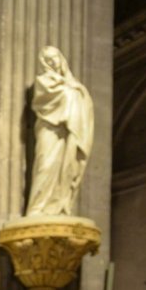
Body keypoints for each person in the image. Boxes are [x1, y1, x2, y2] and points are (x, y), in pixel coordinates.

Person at [25, 46, 94, 217]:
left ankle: (59, 206)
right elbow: (45, 101)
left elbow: (82, 103)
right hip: (49, 129)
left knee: (67, 165)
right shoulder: (43, 81)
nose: (52, 62)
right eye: (48, 60)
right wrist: (71, 93)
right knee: (45, 165)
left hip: (68, 130)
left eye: (55, 57)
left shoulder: (74, 85)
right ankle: (37, 207)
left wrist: (74, 92)